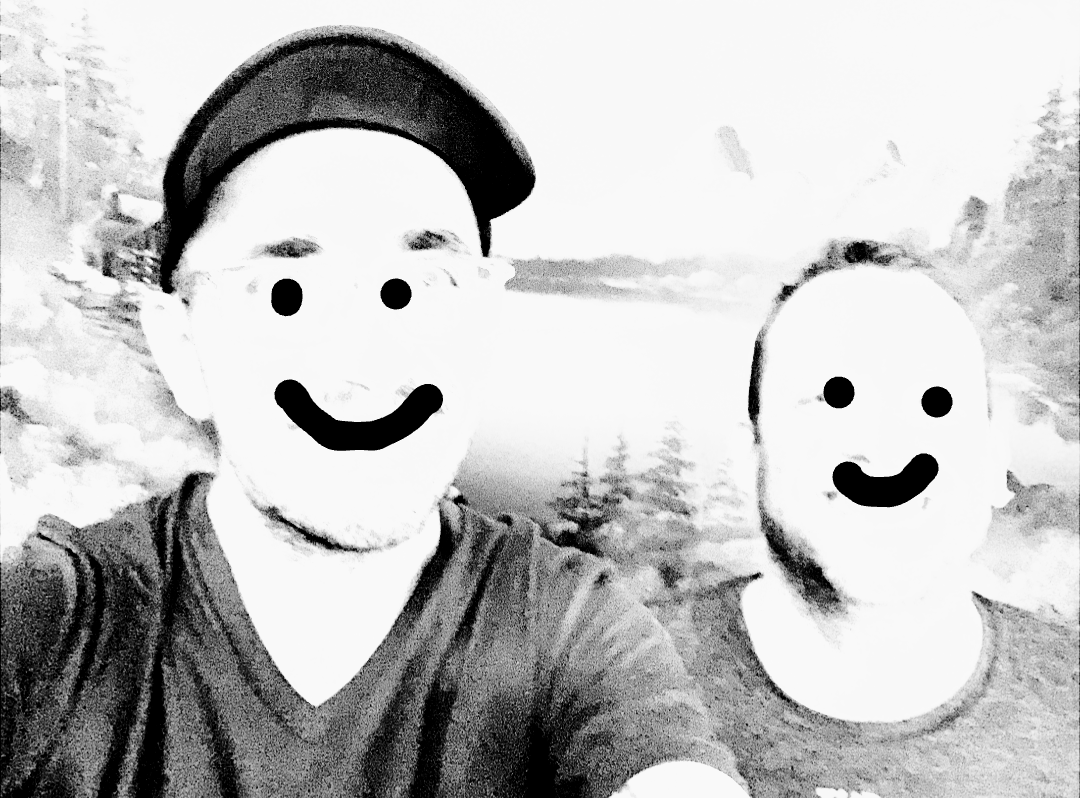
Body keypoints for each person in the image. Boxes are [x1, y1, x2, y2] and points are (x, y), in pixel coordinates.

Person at [0, 26, 750, 798]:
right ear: (182, 349)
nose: (367, 361)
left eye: (420, 288)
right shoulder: (59, 621)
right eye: (287, 294)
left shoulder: (565, 627)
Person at [687, 239, 1079, 797]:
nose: (887, 449)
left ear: (995, 463)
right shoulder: (601, 683)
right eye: (834, 399)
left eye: (935, 403)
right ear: (747, 460)